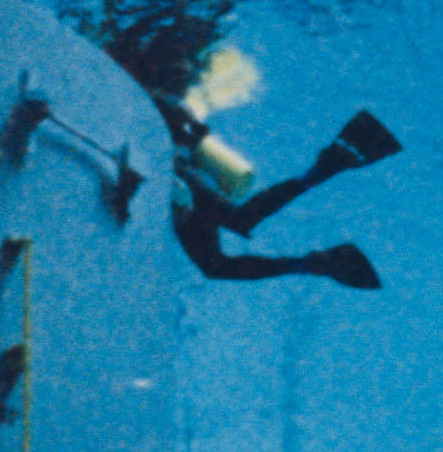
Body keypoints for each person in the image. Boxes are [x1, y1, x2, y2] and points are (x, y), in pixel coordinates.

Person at [157, 79, 395, 292]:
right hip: (182, 184)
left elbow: (176, 122)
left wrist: (187, 137)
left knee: (230, 236)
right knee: (224, 248)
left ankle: (318, 178)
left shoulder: (153, 104)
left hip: (183, 182)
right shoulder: (152, 103)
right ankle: (318, 179)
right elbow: (175, 120)